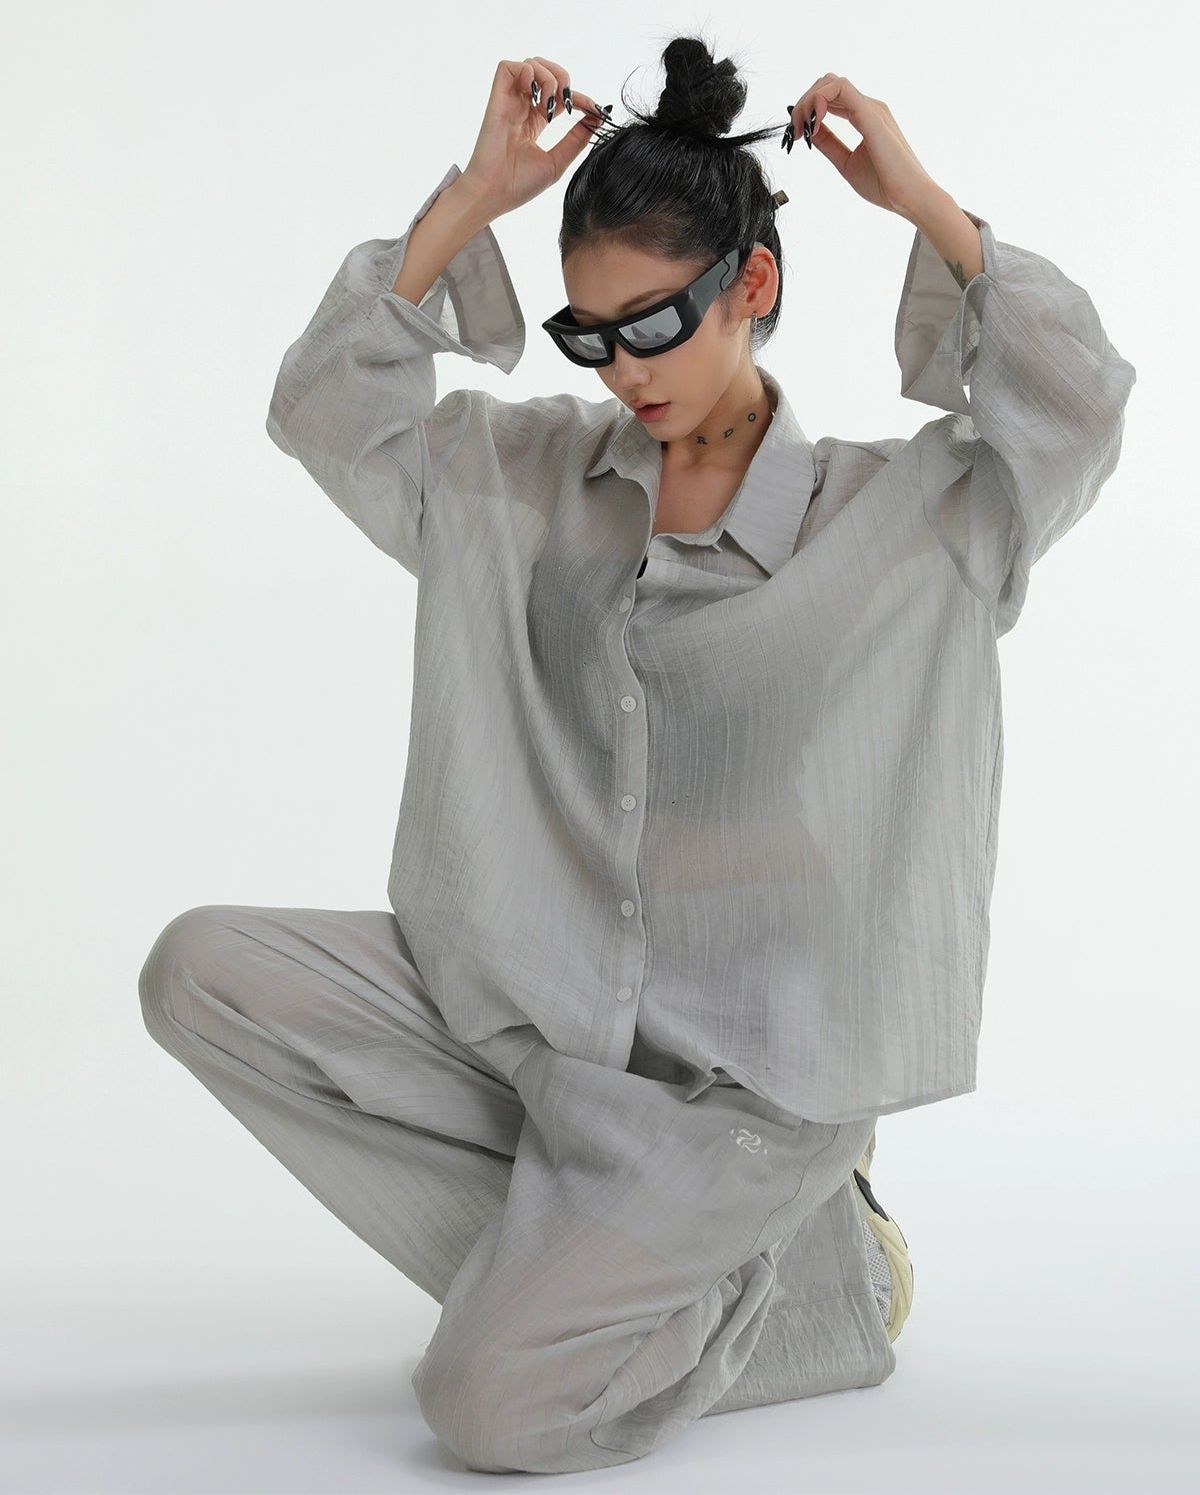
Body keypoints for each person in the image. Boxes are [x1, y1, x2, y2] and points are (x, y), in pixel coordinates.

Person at [137, 33, 1136, 1477]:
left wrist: (926, 206)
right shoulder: (523, 477)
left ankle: (823, 1286)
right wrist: (471, 199)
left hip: (740, 1090)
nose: (624, 371)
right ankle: (586, 1276)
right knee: (202, 971)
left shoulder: (903, 519)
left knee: (485, 1407)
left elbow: (1078, 409)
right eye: (590, 336)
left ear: (754, 286)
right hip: (534, 1021)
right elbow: (327, 410)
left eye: (655, 325)